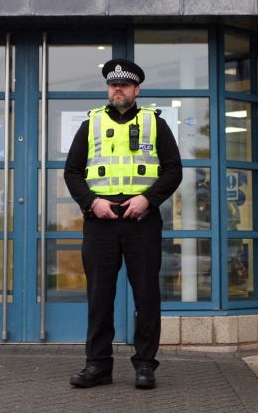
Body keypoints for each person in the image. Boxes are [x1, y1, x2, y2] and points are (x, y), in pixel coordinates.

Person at [64, 58, 182, 390]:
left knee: (146, 296)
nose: (118, 89)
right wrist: (91, 202)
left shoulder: (154, 123)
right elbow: (72, 172)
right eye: (113, 85)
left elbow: (174, 170)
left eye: (125, 85)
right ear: (108, 89)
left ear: (136, 89)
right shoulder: (91, 124)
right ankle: (98, 365)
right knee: (99, 297)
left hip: (142, 221)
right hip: (100, 222)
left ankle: (145, 365)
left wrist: (148, 199)